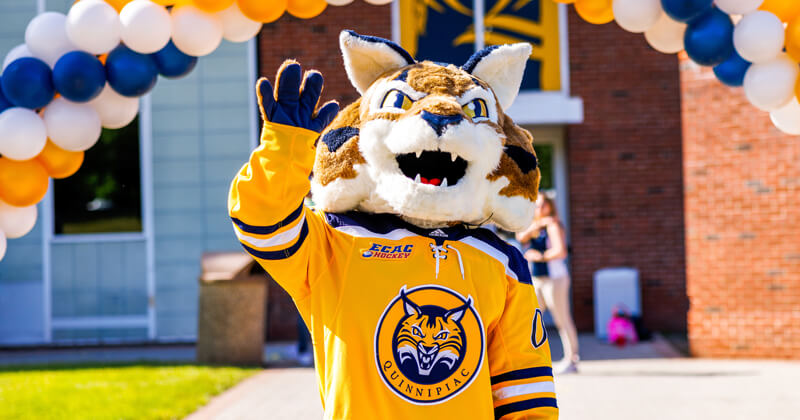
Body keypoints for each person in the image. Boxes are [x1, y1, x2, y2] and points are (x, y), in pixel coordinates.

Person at [516, 194, 580, 374]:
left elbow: (561, 251)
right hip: (537, 279)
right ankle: (528, 359)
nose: (540, 209)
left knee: (562, 320)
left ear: (550, 206)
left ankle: (571, 360)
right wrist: (537, 224)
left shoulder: (553, 225)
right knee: (532, 318)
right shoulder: (534, 226)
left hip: (555, 279)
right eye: (536, 205)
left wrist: (540, 257)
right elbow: (521, 237)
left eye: (543, 205)